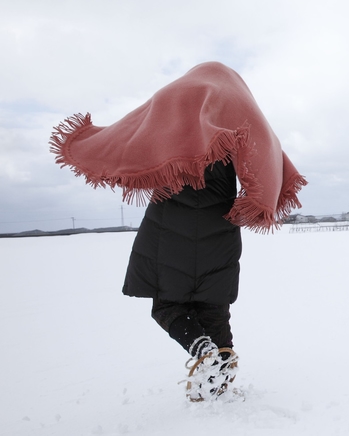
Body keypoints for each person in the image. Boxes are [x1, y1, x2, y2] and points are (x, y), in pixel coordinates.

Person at [50, 62, 307, 399]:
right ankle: (218, 385)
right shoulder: (242, 112)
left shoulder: (173, 101)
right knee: (214, 308)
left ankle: (201, 350)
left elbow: (130, 134)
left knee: (166, 305)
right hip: (220, 228)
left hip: (168, 227)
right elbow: (269, 156)